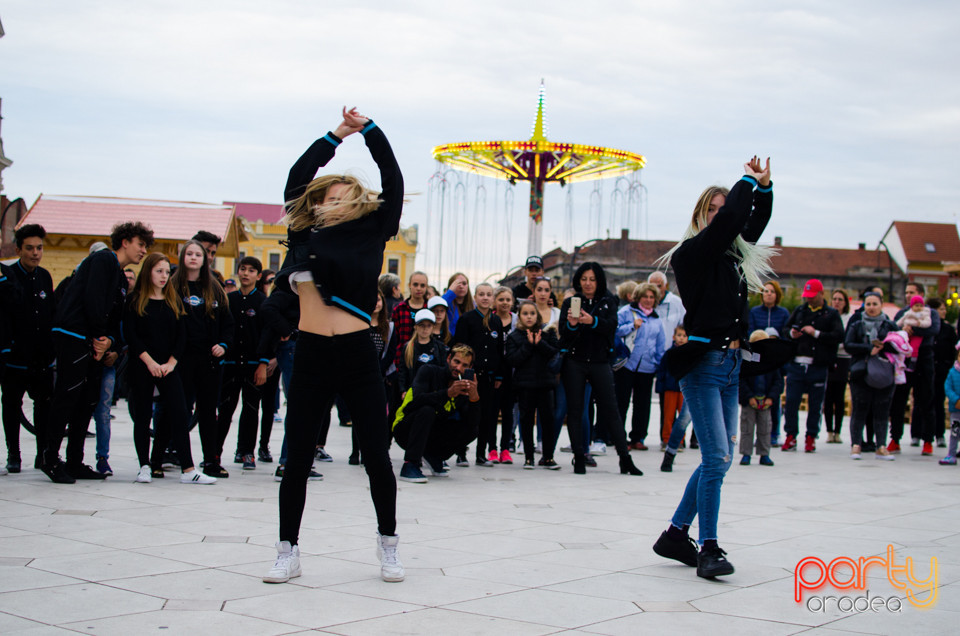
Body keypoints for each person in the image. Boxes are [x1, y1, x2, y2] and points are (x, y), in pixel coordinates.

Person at [264, 107, 404, 585]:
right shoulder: (303, 233)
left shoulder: (373, 230)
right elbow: (297, 176)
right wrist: (334, 135)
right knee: (298, 456)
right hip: (311, 354)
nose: (331, 201)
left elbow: (393, 175)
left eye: (341, 195)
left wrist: (369, 131)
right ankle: (288, 550)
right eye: (325, 196)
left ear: (358, 201)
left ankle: (389, 544)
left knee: (376, 455)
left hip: (357, 353)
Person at [652, 156, 774, 580]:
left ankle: (675, 533)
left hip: (731, 366)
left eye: (725, 208)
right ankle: (709, 547)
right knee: (718, 456)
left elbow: (750, 226)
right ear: (701, 216)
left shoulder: (731, 258)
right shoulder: (693, 254)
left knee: (716, 461)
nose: (722, 216)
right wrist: (744, 183)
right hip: (702, 366)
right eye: (714, 210)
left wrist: (764, 188)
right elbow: (732, 223)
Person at [42, 221, 153, 483]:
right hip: (74, 336)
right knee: (67, 398)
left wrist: (110, 342)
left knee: (87, 401)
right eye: (141, 244)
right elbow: (93, 302)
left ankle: (75, 461)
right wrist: (101, 337)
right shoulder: (103, 260)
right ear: (125, 241)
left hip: (94, 342)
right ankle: (49, 458)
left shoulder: (120, 276)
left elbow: (116, 317)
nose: (143, 251)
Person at [124, 253, 217, 484]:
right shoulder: (135, 299)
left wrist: (171, 363)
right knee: (143, 416)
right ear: (148, 272)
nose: (164, 276)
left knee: (179, 412)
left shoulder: (173, 298)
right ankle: (144, 466)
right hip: (143, 365)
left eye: (167, 272)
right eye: (159, 271)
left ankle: (188, 469)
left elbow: (181, 334)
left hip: (169, 366)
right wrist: (150, 363)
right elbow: (132, 335)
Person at [558, 261, 642, 475]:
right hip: (575, 362)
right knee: (576, 411)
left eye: (592, 279)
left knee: (611, 410)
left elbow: (611, 327)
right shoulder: (571, 302)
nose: (587, 283)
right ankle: (578, 457)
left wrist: (592, 321)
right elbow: (564, 334)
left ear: (599, 281)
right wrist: (573, 325)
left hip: (600, 361)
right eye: (584, 279)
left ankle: (625, 458)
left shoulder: (608, 301)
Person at [169, 239, 234, 478]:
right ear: (183, 257)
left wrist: (223, 345)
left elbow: (228, 325)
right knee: (179, 410)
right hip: (182, 359)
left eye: (199, 254)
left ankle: (211, 461)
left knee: (208, 412)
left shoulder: (214, 288)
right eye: (190, 254)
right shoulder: (172, 286)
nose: (194, 257)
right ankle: (170, 455)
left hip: (210, 361)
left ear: (205, 259)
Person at [0, 224, 56, 475]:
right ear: (18, 249)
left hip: (42, 358)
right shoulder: (8, 276)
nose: (35, 253)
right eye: (30, 248)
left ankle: (42, 453)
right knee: (11, 404)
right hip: (15, 358)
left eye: (39, 248)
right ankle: (14, 454)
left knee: (43, 405)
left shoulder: (45, 276)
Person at [392, 344, 480, 482]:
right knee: (427, 410)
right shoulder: (428, 371)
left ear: (470, 368)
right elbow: (414, 404)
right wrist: (447, 393)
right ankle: (410, 464)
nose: (458, 368)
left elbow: (471, 423)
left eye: (464, 365)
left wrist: (474, 398)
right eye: (456, 362)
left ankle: (433, 456)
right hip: (404, 429)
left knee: (472, 430)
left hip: (430, 432)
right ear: (449, 359)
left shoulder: (462, 386)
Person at [218, 257, 270, 471]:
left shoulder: (263, 302)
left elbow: (267, 334)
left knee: (250, 409)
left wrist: (263, 363)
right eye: (242, 269)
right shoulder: (228, 300)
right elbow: (222, 328)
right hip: (230, 363)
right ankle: (214, 452)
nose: (246, 273)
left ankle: (247, 451)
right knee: (225, 409)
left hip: (253, 364)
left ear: (258, 275)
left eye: (251, 270)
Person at [781, 279, 844, 453]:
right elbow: (785, 330)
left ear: (821, 294)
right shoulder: (800, 311)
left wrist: (816, 333)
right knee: (792, 402)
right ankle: (790, 436)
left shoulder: (831, 314)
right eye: (807, 296)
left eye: (812, 296)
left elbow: (839, 335)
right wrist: (792, 334)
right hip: (797, 364)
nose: (809, 299)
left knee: (815, 404)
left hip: (818, 365)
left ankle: (811, 437)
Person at [452, 283, 505, 466]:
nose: (485, 297)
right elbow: (459, 348)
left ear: (493, 298)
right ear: (475, 297)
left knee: (487, 416)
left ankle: (481, 454)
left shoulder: (496, 321)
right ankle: (460, 452)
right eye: (481, 294)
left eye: (488, 294)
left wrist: (498, 376)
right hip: (470, 376)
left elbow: (500, 351)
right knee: (466, 414)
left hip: (489, 377)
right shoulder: (466, 319)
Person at [505, 300, 561, 469]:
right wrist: (529, 345)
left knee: (548, 420)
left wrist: (539, 343)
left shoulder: (547, 331)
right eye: (525, 313)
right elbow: (513, 360)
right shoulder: (514, 336)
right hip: (525, 385)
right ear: (519, 316)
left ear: (537, 315)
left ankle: (548, 457)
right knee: (526, 420)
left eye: (532, 313)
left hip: (545, 384)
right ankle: (529, 457)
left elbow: (553, 352)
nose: (529, 317)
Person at [844, 292, 898, 461]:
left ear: (881, 305)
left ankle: (881, 446)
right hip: (861, 372)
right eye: (868, 304)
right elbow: (848, 345)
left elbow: (899, 346)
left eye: (875, 304)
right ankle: (856, 445)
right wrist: (868, 348)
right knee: (860, 408)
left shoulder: (889, 325)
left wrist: (884, 347)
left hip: (883, 373)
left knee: (882, 410)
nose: (871, 308)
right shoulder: (856, 323)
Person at [888, 283, 940, 455]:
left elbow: (933, 329)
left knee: (926, 401)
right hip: (904, 363)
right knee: (898, 402)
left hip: (924, 362)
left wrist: (912, 329)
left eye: (912, 292)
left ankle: (927, 441)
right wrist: (903, 330)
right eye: (906, 292)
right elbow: (893, 329)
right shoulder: (902, 313)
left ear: (921, 295)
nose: (908, 295)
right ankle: (895, 438)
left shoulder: (930, 313)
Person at [615, 282, 666, 450]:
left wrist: (659, 365)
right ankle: (619, 438)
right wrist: (632, 326)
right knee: (622, 402)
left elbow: (660, 344)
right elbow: (614, 331)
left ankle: (638, 438)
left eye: (652, 297)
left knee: (642, 405)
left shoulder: (657, 320)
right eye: (645, 296)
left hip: (647, 367)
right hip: (626, 365)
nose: (648, 300)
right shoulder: (625, 312)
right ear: (638, 297)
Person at [748, 280, 790, 446]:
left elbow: (786, 335)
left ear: (777, 294)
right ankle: (753, 434)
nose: (768, 294)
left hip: (775, 358)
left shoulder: (783, 313)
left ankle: (774, 433)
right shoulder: (755, 312)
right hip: (758, 357)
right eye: (765, 291)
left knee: (774, 397)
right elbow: (750, 332)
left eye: (772, 291)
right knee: (757, 390)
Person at [738, 330, 783, 466]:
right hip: (749, 401)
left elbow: (778, 382)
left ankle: (764, 454)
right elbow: (741, 381)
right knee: (747, 428)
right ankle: (746, 453)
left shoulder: (772, 362)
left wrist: (771, 398)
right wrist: (749, 397)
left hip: (766, 401)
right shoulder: (746, 361)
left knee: (765, 428)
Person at [659, 325, 693, 473]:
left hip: (684, 389)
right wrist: (661, 386)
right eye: (679, 335)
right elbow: (662, 370)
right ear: (674, 337)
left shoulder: (691, 353)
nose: (681, 338)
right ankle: (667, 439)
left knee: (684, 416)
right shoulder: (670, 353)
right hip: (670, 387)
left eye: (684, 335)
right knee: (668, 415)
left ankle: (680, 440)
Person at [823, 289, 852, 444]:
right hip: (830, 357)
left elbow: (845, 340)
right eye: (834, 299)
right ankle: (828, 431)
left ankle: (837, 431)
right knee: (828, 396)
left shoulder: (849, 318)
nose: (837, 302)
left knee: (839, 397)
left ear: (845, 302)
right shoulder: (828, 316)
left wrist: (832, 341)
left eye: (840, 299)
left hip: (843, 359)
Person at [397, 309, 447, 396]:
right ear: (415, 326)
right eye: (421, 325)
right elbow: (402, 371)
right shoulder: (408, 347)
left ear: (433, 327)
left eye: (429, 325)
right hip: (413, 391)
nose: (425, 329)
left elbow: (443, 368)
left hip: (433, 391)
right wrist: (403, 390)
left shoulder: (439, 347)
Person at [929, 298, 957, 448]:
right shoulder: (926, 327)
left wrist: (947, 365)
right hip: (927, 371)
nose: (944, 311)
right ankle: (921, 435)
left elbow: (955, 350)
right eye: (941, 309)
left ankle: (940, 435)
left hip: (943, 372)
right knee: (925, 403)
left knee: (940, 403)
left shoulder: (948, 330)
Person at [389, 271, 429, 369]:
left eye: (422, 285)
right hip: (402, 360)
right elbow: (394, 339)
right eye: (415, 284)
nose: (418, 288)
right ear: (409, 285)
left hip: (425, 360)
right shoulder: (399, 309)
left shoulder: (429, 309)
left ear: (426, 287)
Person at [940, 342, 960, 465]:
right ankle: (951, 454)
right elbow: (948, 387)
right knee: (954, 433)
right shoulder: (953, 372)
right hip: (956, 409)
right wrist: (956, 399)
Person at [443, 272, 474, 337]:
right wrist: (450, 292)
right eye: (458, 283)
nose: (461, 286)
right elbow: (439, 304)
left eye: (464, 283)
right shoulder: (447, 303)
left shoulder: (474, 306)